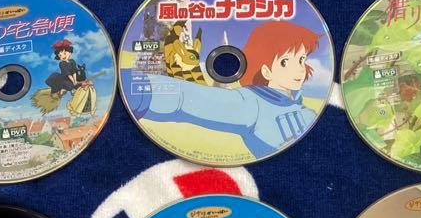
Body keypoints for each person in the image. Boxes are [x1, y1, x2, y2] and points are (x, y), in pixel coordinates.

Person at [127, 20, 325, 158]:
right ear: (266, 70)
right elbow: (187, 98)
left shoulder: (298, 103)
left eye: (301, 59)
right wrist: (140, 87)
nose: (299, 68)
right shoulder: (251, 105)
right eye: (285, 62)